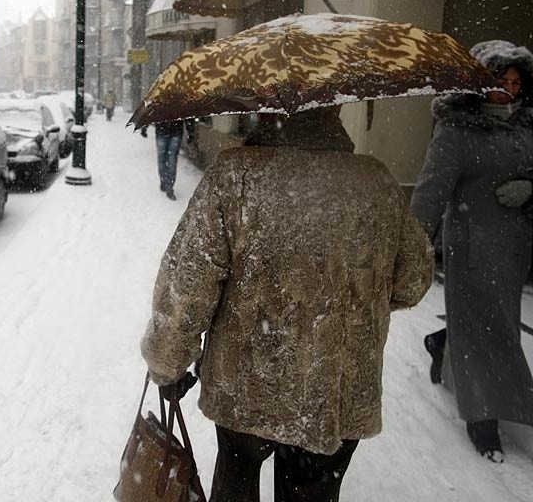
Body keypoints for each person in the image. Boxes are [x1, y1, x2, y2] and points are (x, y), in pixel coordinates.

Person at [141, 107, 433, 502]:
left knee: (236, 481)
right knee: (314, 489)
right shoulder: (375, 180)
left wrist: (166, 362)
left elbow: (187, 286)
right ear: (336, 108)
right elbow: (414, 278)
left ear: (264, 109)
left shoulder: (236, 176)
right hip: (336, 387)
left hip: (246, 385)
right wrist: (350, 302)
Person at [410, 40, 533, 463]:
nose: (509, 91)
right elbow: (429, 193)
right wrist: (411, 247)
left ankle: (441, 344)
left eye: (516, 83)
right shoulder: (458, 130)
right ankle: (483, 419)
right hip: (469, 249)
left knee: (501, 324)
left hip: (514, 249)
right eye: (501, 81)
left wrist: (531, 190)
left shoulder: (526, 127)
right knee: (484, 330)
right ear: (480, 80)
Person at [142, 119, 195, 200]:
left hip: (175, 133)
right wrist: (144, 127)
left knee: (171, 160)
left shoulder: (179, 106)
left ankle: (169, 187)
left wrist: (190, 131)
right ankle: (164, 182)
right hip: (162, 132)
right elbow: (151, 113)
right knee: (162, 160)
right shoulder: (159, 106)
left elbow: (187, 114)